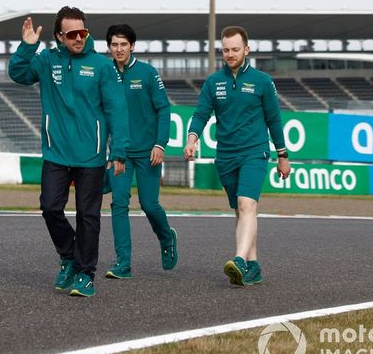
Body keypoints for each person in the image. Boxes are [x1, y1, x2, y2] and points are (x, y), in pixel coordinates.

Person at [9, 6, 129, 297]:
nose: (78, 38)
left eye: (82, 32)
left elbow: (117, 109)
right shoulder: (47, 60)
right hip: (56, 152)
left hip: (92, 155)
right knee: (50, 207)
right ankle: (69, 256)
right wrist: (26, 47)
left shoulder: (101, 66)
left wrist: (119, 151)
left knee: (89, 215)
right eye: (72, 34)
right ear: (59, 36)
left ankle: (86, 274)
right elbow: (17, 73)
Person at [183, 25, 291, 286]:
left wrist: (282, 155)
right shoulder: (213, 82)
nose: (230, 54)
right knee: (240, 211)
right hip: (226, 155)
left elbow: (274, 120)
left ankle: (239, 260)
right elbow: (200, 115)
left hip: (254, 152)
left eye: (235, 49)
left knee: (247, 205)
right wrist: (192, 138)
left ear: (247, 49)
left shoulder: (263, 82)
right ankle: (253, 266)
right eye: (226, 50)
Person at [104, 24, 177, 279]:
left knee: (149, 204)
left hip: (149, 152)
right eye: (114, 44)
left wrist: (160, 144)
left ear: (132, 46)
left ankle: (166, 236)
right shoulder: (105, 73)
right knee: (118, 203)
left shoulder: (147, 73)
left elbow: (164, 110)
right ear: (109, 47)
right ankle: (123, 263)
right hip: (119, 154)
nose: (119, 49)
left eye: (124, 44)